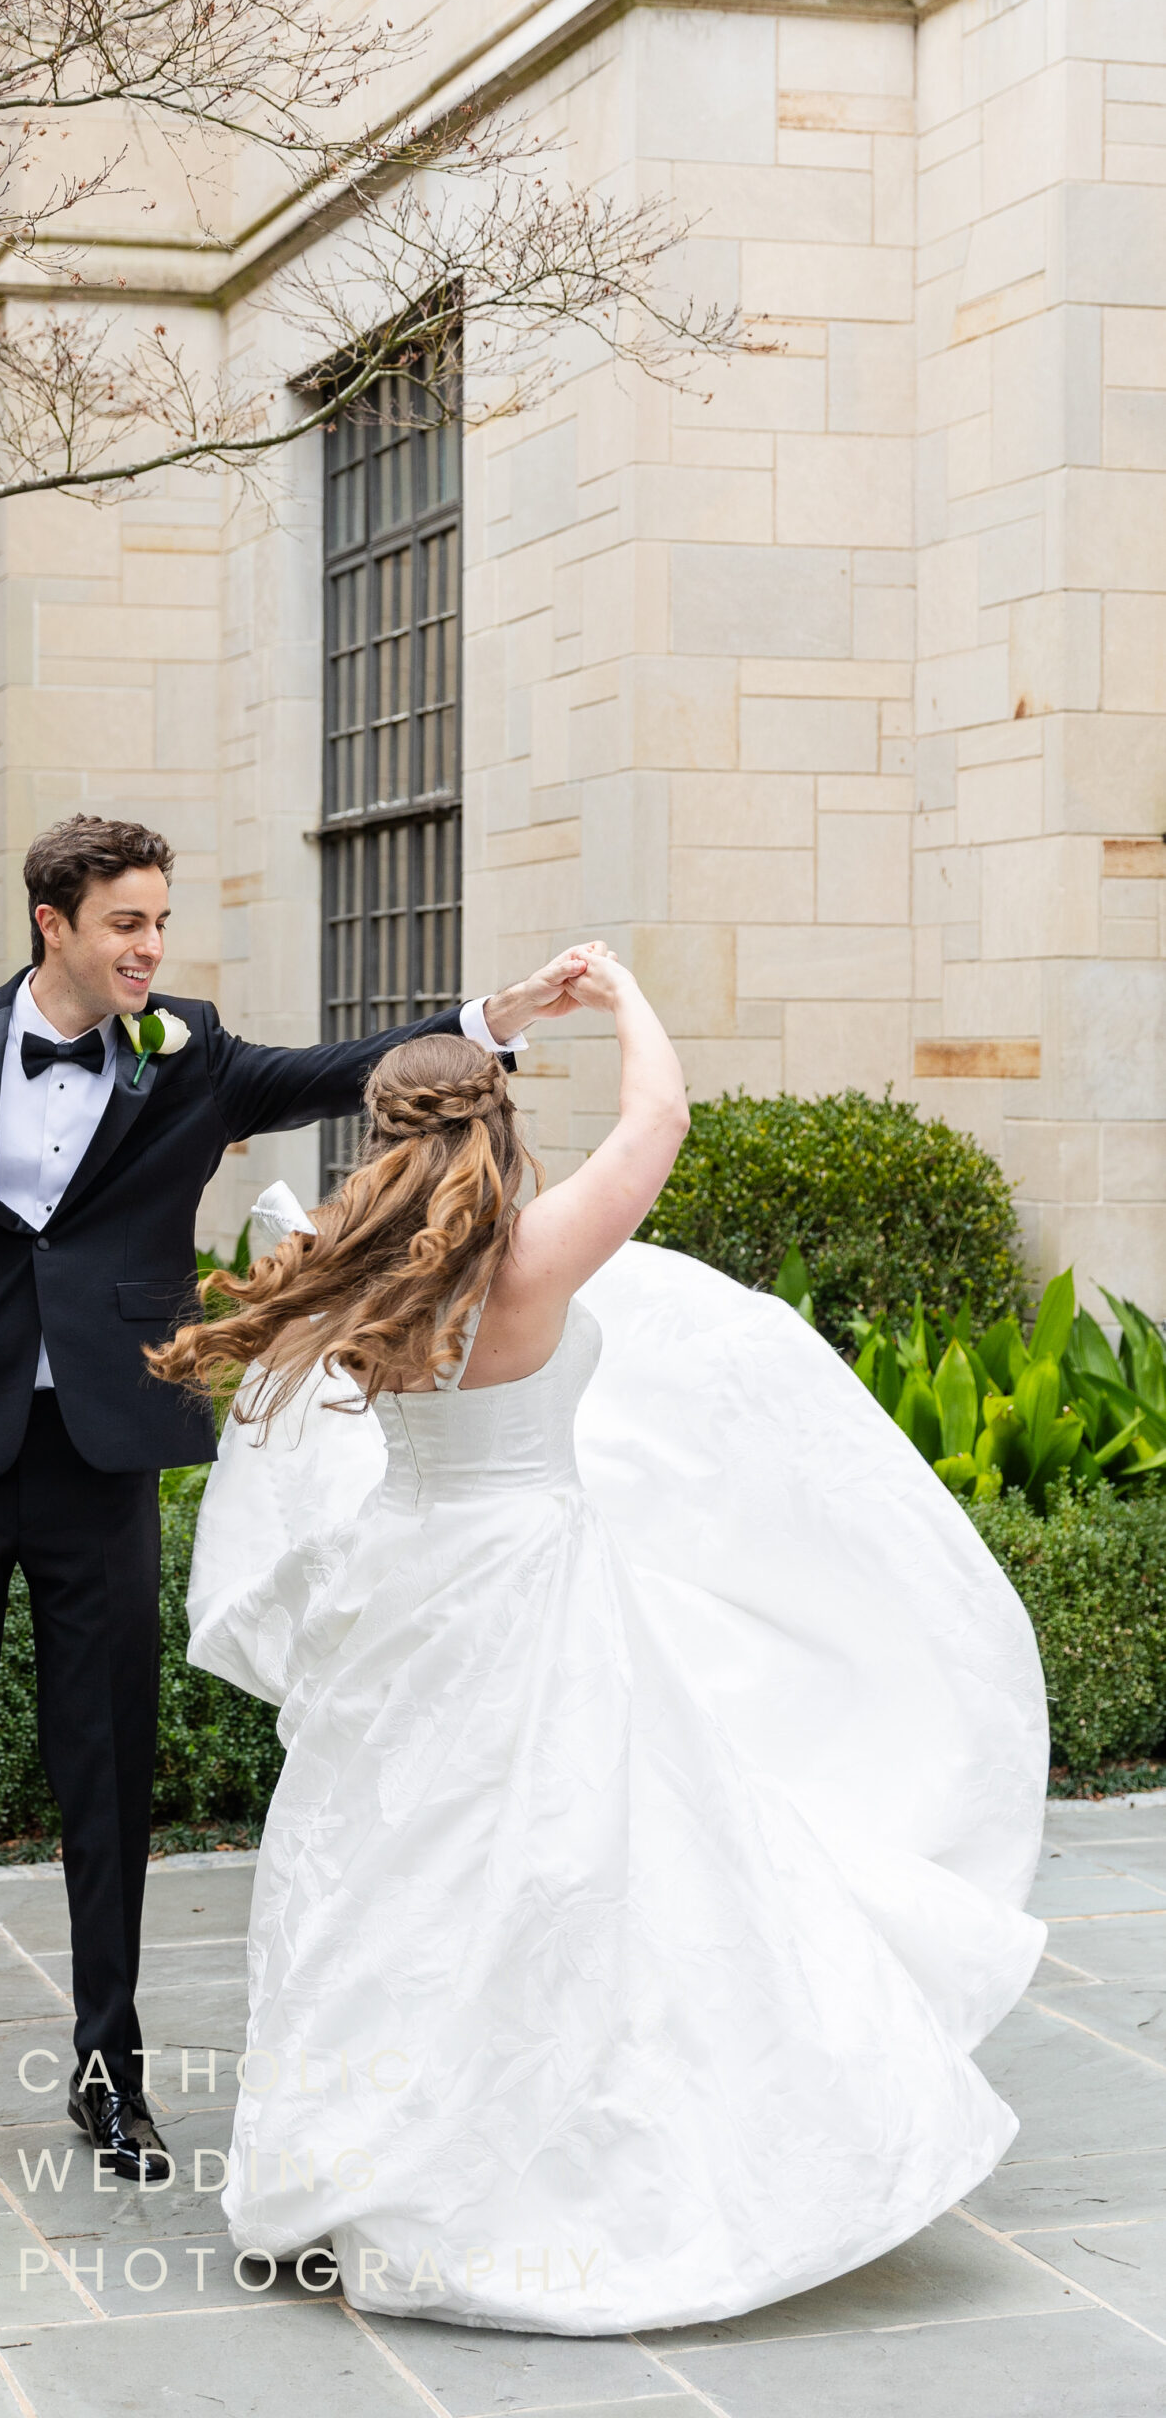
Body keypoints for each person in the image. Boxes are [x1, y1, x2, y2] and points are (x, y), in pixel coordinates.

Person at [152, 944, 1051, 2334]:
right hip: (530, 1580)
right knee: (575, 1849)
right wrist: (622, 995)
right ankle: (557, 2141)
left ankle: (376, 2150)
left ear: (382, 1133)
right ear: (495, 1122)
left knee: (397, 1854)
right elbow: (659, 1118)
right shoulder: (533, 1257)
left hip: (402, 1581)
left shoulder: (352, 1263)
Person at [0, 809, 594, 2188]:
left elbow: (334, 1072)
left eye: (161, 921)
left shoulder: (189, 1051)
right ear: (55, 925)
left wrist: (490, 1020)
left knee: (106, 1777)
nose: (151, 946)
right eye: (127, 923)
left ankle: (111, 2081)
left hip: (103, 1460)